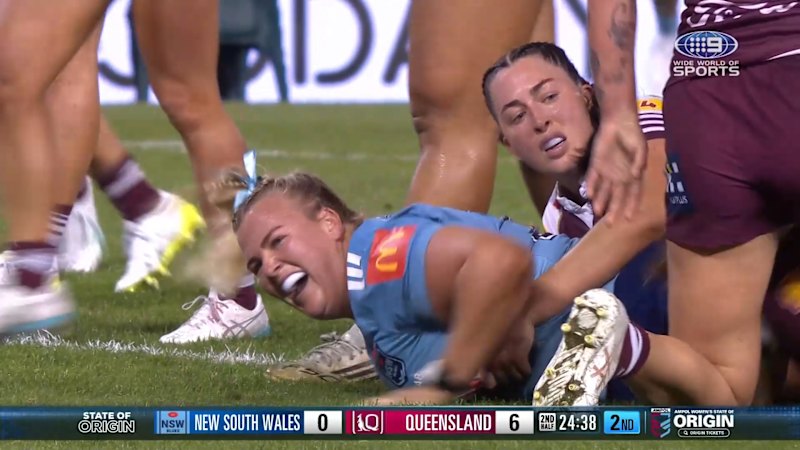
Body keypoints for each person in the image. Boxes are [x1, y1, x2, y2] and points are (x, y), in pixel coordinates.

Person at [233, 172, 635, 405]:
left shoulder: (378, 261)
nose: (270, 268)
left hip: (633, 300)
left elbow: (499, 261)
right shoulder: (372, 298)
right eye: (256, 266)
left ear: (328, 223)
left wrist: (448, 382)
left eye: (278, 241)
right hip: (626, 343)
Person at [480, 41, 670, 401]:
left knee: (643, 267)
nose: (540, 121)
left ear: (586, 95)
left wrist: (526, 311)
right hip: (677, 341)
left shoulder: (639, 120)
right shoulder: (557, 216)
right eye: (518, 117)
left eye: (549, 97)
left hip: (751, 292)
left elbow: (649, 214)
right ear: (509, 144)